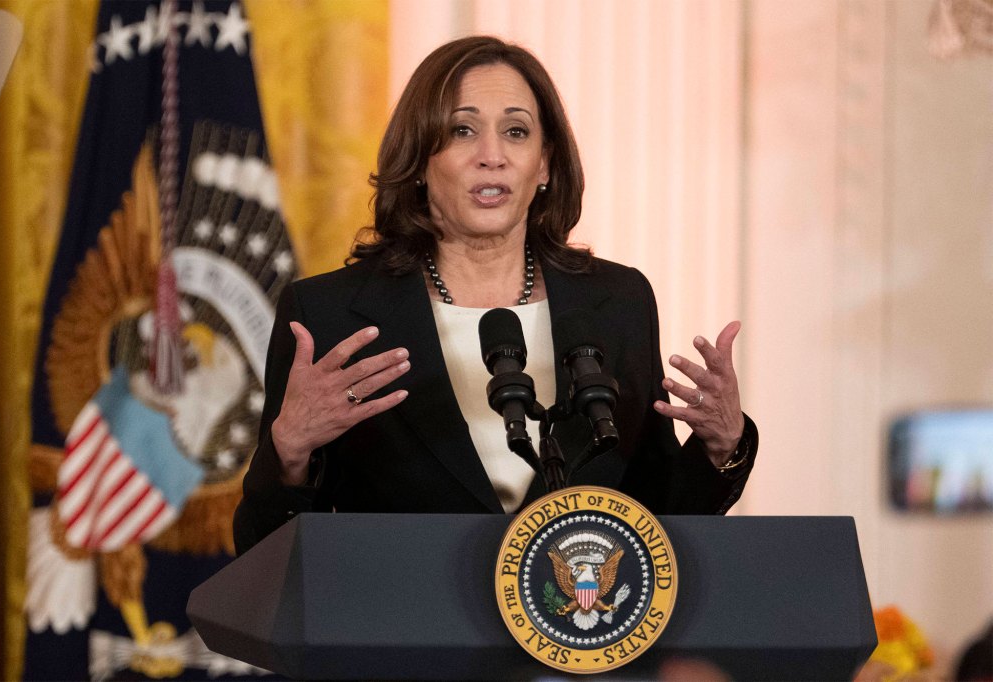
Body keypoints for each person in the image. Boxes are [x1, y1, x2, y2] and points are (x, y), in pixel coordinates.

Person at [234, 36, 758, 555]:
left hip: (575, 624)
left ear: (546, 164)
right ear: (418, 160)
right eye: (462, 130)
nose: (493, 156)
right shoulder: (329, 314)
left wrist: (722, 445)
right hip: (400, 627)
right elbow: (264, 554)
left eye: (516, 131)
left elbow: (653, 520)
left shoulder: (617, 301)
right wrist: (290, 452)